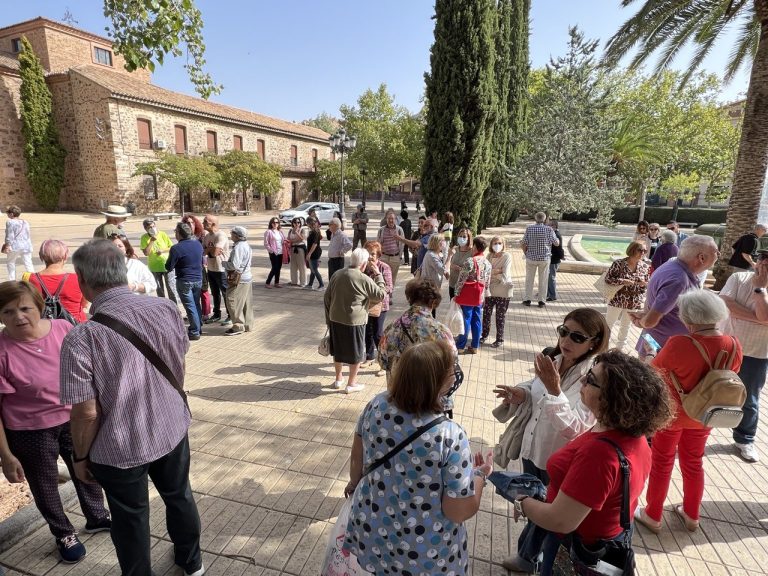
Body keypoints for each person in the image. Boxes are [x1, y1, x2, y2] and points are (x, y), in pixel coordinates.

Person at [60, 240, 204, 576]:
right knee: (179, 496)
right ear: (123, 271)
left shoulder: (82, 338)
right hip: (170, 425)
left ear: (82, 281)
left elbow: (86, 412)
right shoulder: (165, 308)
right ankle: (192, 563)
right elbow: (178, 358)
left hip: (119, 445)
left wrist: (80, 458)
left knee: (130, 517)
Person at [510, 351, 673, 576]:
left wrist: (521, 501)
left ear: (612, 399)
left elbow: (559, 520)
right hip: (608, 536)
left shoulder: (598, 455)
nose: (583, 380)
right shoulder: (636, 437)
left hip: (576, 547)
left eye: (591, 380)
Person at [343, 340, 493, 576]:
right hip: (425, 551)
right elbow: (458, 510)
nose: (455, 375)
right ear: (438, 382)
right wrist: (480, 475)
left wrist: (353, 484)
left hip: (373, 530)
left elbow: (357, 459)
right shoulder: (450, 436)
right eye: (452, 371)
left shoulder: (376, 404)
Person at [0, 281, 110, 564]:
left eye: (25, 308)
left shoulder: (62, 328)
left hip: (73, 418)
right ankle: (63, 533)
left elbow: (90, 369)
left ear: (39, 306)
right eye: (8, 311)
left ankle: (97, 515)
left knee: (85, 467)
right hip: (29, 429)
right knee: (44, 483)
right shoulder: (2, 350)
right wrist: (6, 455)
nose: (18, 316)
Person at [497, 308, 610, 572]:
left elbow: (577, 427)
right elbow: (535, 388)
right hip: (533, 449)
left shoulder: (593, 379)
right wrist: (521, 393)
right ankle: (529, 555)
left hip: (558, 460)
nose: (566, 340)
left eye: (577, 337)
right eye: (563, 331)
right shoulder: (553, 359)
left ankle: (527, 557)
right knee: (535, 505)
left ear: (594, 342)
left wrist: (554, 390)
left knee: (545, 513)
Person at [635, 290, 742, 534]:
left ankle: (653, 515)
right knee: (694, 463)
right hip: (705, 415)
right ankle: (692, 515)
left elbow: (653, 372)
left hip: (672, 414)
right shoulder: (734, 345)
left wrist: (650, 355)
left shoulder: (678, 343)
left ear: (689, 318)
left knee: (662, 462)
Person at [630, 235, 719, 357]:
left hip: (656, 343)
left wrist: (645, 317)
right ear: (701, 258)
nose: (718, 254)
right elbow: (650, 322)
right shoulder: (679, 280)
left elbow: (657, 307)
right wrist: (640, 323)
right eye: (715, 252)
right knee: (652, 376)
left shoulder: (671, 267)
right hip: (662, 349)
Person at [719, 248, 768, 463]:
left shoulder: (759, 287)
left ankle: (744, 439)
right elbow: (727, 306)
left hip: (756, 353)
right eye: (761, 260)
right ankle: (697, 433)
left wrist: (760, 291)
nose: (762, 265)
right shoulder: (738, 277)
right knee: (709, 390)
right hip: (726, 347)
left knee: (750, 399)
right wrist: (761, 318)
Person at [378, 279, 458, 403]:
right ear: (433, 302)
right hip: (430, 399)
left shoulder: (391, 328)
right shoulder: (440, 331)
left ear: (410, 299)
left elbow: (383, 362)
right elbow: (452, 362)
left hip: (399, 396)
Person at [324, 248, 386, 394]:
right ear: (364, 264)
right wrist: (378, 275)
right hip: (355, 321)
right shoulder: (363, 278)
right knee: (356, 352)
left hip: (335, 318)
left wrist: (328, 319)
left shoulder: (337, 274)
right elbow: (380, 295)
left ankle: (339, 379)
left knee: (337, 350)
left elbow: (327, 298)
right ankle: (351, 383)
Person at [27, 239, 88, 323]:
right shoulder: (79, 278)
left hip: (45, 327)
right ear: (66, 256)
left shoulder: (30, 279)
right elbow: (84, 304)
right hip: (75, 325)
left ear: (41, 256)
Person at [604, 241, 650, 351]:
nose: (643, 253)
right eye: (640, 250)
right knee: (609, 324)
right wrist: (622, 281)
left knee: (625, 326)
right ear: (632, 250)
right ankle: (603, 347)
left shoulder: (645, 266)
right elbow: (608, 279)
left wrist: (644, 284)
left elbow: (647, 284)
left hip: (633, 301)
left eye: (645, 251)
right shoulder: (618, 263)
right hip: (617, 299)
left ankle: (620, 350)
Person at [166, 222, 204, 341]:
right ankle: (198, 327)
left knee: (190, 306)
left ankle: (194, 331)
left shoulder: (176, 248)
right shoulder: (198, 244)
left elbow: (169, 266)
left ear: (179, 233)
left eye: (175, 232)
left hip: (185, 280)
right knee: (196, 304)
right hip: (198, 278)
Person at [455, 236, 492, 354]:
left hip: (467, 295)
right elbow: (487, 282)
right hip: (479, 295)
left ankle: (461, 346)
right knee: (477, 319)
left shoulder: (470, 261)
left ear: (475, 246)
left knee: (466, 319)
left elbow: (461, 279)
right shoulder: (488, 263)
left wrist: (456, 293)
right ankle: (475, 346)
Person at [362, 241, 392, 365]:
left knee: (377, 333)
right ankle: (369, 357)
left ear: (378, 255)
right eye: (368, 253)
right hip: (366, 305)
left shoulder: (384, 267)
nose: (370, 256)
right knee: (366, 331)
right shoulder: (362, 267)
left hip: (381, 306)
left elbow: (389, 287)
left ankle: (384, 361)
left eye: (373, 254)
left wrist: (377, 274)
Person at [521, 211, 559, 307]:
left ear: (535, 218)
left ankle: (527, 299)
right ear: (545, 219)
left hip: (531, 257)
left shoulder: (529, 229)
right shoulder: (549, 229)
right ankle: (541, 301)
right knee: (543, 280)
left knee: (529, 279)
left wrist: (525, 253)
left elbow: (524, 242)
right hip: (544, 258)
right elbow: (556, 243)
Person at [482, 236, 514, 347]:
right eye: (495, 243)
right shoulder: (489, 256)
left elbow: (505, 276)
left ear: (503, 244)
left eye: (499, 243)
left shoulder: (507, 256)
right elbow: (484, 272)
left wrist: (492, 272)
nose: (497, 245)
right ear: (491, 245)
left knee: (500, 317)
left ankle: (499, 339)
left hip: (503, 291)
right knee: (486, 315)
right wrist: (496, 271)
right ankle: (484, 335)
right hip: (489, 291)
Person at [223, 226, 252, 336]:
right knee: (246, 303)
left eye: (232, 233)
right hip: (247, 277)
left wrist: (224, 263)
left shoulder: (238, 247)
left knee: (232, 300)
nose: (231, 235)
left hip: (239, 279)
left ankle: (238, 325)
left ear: (236, 235)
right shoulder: (246, 245)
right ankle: (248, 325)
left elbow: (234, 265)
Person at [202, 214, 231, 325]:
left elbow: (214, 253)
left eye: (205, 221)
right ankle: (217, 314)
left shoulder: (221, 235)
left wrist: (210, 249)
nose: (203, 223)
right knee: (214, 293)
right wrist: (210, 249)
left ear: (213, 224)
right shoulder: (207, 236)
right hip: (211, 268)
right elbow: (203, 252)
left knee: (225, 293)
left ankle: (230, 315)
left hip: (221, 269)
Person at [140, 219, 177, 302]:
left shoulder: (162, 234)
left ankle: (175, 308)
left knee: (171, 289)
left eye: (153, 226)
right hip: (154, 267)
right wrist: (151, 241)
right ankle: (163, 308)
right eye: (150, 227)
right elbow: (146, 253)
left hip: (167, 265)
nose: (152, 228)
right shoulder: (144, 238)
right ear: (146, 229)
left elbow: (171, 247)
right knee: (159, 289)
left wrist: (163, 250)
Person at [419, 233, 448, 314]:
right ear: (437, 243)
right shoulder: (431, 255)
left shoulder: (435, 254)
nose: (444, 242)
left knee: (431, 310)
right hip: (429, 288)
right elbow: (442, 270)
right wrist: (450, 256)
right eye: (442, 240)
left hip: (432, 287)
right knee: (430, 311)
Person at [3, 205, 33, 281]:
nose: (7, 214)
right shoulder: (25, 222)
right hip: (26, 246)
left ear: (12, 214)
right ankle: (33, 280)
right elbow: (27, 234)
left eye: (8, 212)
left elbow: (10, 235)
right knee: (28, 263)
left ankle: (12, 280)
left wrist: (7, 245)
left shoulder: (10, 222)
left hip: (15, 246)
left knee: (11, 262)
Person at [376, 211, 405, 287]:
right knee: (382, 278)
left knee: (392, 280)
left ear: (395, 219)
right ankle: (383, 296)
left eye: (392, 218)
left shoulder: (399, 229)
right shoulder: (381, 230)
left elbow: (402, 243)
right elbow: (377, 244)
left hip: (395, 258)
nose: (391, 220)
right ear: (386, 219)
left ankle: (390, 297)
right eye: (389, 218)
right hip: (384, 258)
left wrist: (400, 256)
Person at [448, 227, 474, 300]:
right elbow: (447, 263)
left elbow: (473, 270)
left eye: (464, 236)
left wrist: (459, 269)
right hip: (452, 283)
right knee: (453, 306)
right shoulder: (454, 249)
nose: (461, 238)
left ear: (469, 238)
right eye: (460, 236)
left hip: (464, 285)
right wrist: (450, 264)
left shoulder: (472, 252)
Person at [264, 216, 286, 288]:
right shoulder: (268, 232)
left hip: (280, 252)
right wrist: (271, 251)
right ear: (271, 224)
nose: (275, 224)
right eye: (273, 222)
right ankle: (268, 282)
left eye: (277, 222)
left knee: (279, 267)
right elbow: (266, 243)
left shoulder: (280, 232)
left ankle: (277, 282)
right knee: (274, 267)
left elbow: (283, 241)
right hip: (274, 252)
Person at [287, 217, 308, 287]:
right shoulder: (290, 230)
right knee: (293, 266)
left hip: (300, 249)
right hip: (292, 249)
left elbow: (301, 239)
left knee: (302, 266)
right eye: (295, 222)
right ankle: (294, 281)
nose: (297, 224)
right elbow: (288, 239)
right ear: (292, 223)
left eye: (298, 222)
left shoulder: (302, 230)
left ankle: (303, 282)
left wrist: (293, 240)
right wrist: (294, 240)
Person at [305, 217, 325, 290]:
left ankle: (322, 285)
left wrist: (309, 253)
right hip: (314, 252)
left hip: (314, 253)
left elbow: (315, 244)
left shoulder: (315, 232)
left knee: (314, 269)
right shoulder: (314, 231)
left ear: (309, 224)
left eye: (307, 223)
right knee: (312, 269)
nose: (307, 225)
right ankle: (310, 285)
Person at [547, 220, 564, 302]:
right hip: (553, 259)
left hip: (554, 260)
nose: (548, 227)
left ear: (554, 226)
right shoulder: (555, 234)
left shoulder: (556, 235)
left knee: (551, 278)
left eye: (549, 225)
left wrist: (561, 257)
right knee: (549, 277)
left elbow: (558, 248)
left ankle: (552, 295)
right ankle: (547, 293)